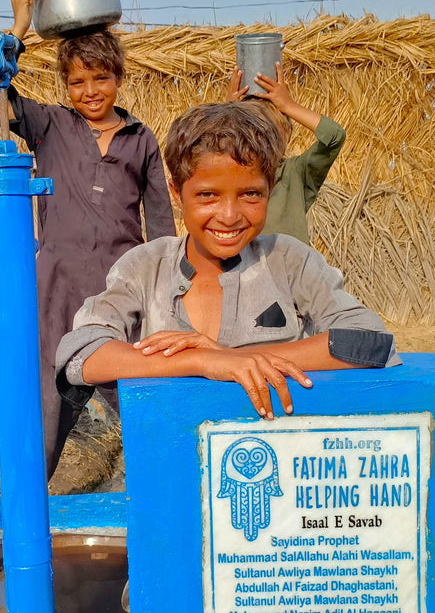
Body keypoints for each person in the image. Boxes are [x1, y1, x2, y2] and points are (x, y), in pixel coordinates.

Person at [56, 103, 397, 421]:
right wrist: (204, 360)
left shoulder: (289, 261)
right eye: (207, 195)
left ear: (271, 188)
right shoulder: (145, 266)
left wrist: (234, 359)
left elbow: (370, 340)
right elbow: (82, 355)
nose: (230, 216)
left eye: (251, 194)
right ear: (177, 193)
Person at [0, 0, 175, 477]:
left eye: (101, 78)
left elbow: (163, 222)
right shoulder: (49, 125)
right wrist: (18, 26)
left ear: (119, 78)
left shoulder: (141, 138)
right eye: (78, 81)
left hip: (120, 286)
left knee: (133, 389)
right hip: (58, 284)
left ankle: (157, 485)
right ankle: (32, 506)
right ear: (66, 85)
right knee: (49, 396)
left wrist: (169, 289)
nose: (90, 91)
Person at [227, 62, 346, 243]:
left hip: (292, 271)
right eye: (253, 132)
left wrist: (289, 106)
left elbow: (334, 136)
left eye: (273, 133)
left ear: (287, 137)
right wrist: (225, 113)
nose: (264, 141)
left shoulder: (297, 173)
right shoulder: (231, 173)